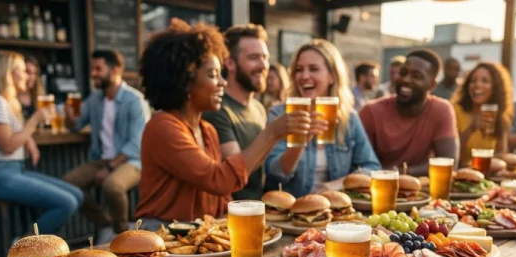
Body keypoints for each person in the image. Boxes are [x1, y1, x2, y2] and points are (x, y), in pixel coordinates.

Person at [134, 19, 310, 228]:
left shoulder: (207, 130)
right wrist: (271, 133)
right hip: (161, 236)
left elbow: (221, 197)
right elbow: (219, 180)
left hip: (199, 235)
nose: (222, 82)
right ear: (185, 81)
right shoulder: (163, 126)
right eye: (213, 75)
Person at [0, 50, 82, 235]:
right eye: (22, 70)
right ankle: (25, 248)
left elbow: (16, 133)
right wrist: (35, 119)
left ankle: (36, 247)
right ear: (7, 73)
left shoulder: (8, 102)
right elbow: (8, 145)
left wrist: (30, 141)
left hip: (14, 170)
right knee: (66, 202)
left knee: (77, 196)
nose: (27, 75)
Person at [265, 40, 381, 197]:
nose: (304, 76)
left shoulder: (348, 118)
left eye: (313, 69)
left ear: (332, 76)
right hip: (290, 213)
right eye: (299, 70)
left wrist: (334, 186)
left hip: (335, 211)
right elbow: (274, 176)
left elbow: (372, 167)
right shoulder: (279, 115)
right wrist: (300, 142)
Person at [63, 50, 149, 243]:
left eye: (98, 69)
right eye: (93, 69)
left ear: (114, 70)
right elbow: (76, 125)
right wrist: (69, 116)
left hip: (132, 160)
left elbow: (137, 143)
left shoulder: (134, 100)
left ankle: (122, 236)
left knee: (112, 185)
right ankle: (106, 224)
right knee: (68, 184)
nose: (93, 73)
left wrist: (110, 168)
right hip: (100, 160)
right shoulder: (95, 99)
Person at [359, 49, 459, 175]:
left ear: (432, 85)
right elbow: (359, 164)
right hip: (377, 189)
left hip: (420, 191)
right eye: (403, 73)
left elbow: (449, 163)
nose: (406, 79)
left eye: (416, 76)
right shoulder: (370, 111)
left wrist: (399, 173)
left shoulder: (441, 109)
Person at [203, 24, 271, 201]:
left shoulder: (258, 108)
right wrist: (274, 133)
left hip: (259, 208)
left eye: (265, 57)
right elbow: (237, 170)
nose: (263, 65)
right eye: (254, 58)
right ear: (230, 63)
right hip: (231, 216)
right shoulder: (217, 109)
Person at [451, 61, 513, 167]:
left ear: (495, 88)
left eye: (485, 81)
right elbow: (449, 152)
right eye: (473, 81)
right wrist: (472, 128)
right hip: (459, 172)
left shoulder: (499, 116)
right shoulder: (454, 110)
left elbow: (500, 154)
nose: (477, 85)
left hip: (486, 175)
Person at [18, 56, 43, 120]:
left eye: (35, 73)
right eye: (28, 72)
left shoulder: (38, 96)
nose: (32, 77)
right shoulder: (12, 98)